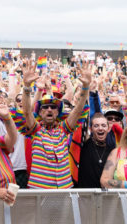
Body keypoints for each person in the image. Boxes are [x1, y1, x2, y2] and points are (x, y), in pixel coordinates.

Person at [21, 61, 92, 189]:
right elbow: (26, 112)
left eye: (53, 107)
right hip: (40, 190)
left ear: (58, 112)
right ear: (40, 112)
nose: (49, 109)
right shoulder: (36, 130)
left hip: (65, 188)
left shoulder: (63, 129)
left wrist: (86, 86)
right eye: (45, 107)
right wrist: (26, 86)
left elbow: (79, 109)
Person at [78, 113, 113, 188]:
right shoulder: (83, 146)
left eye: (103, 125)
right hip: (85, 195)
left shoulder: (112, 150)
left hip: (106, 196)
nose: (100, 128)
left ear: (108, 129)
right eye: (96, 126)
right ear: (91, 129)